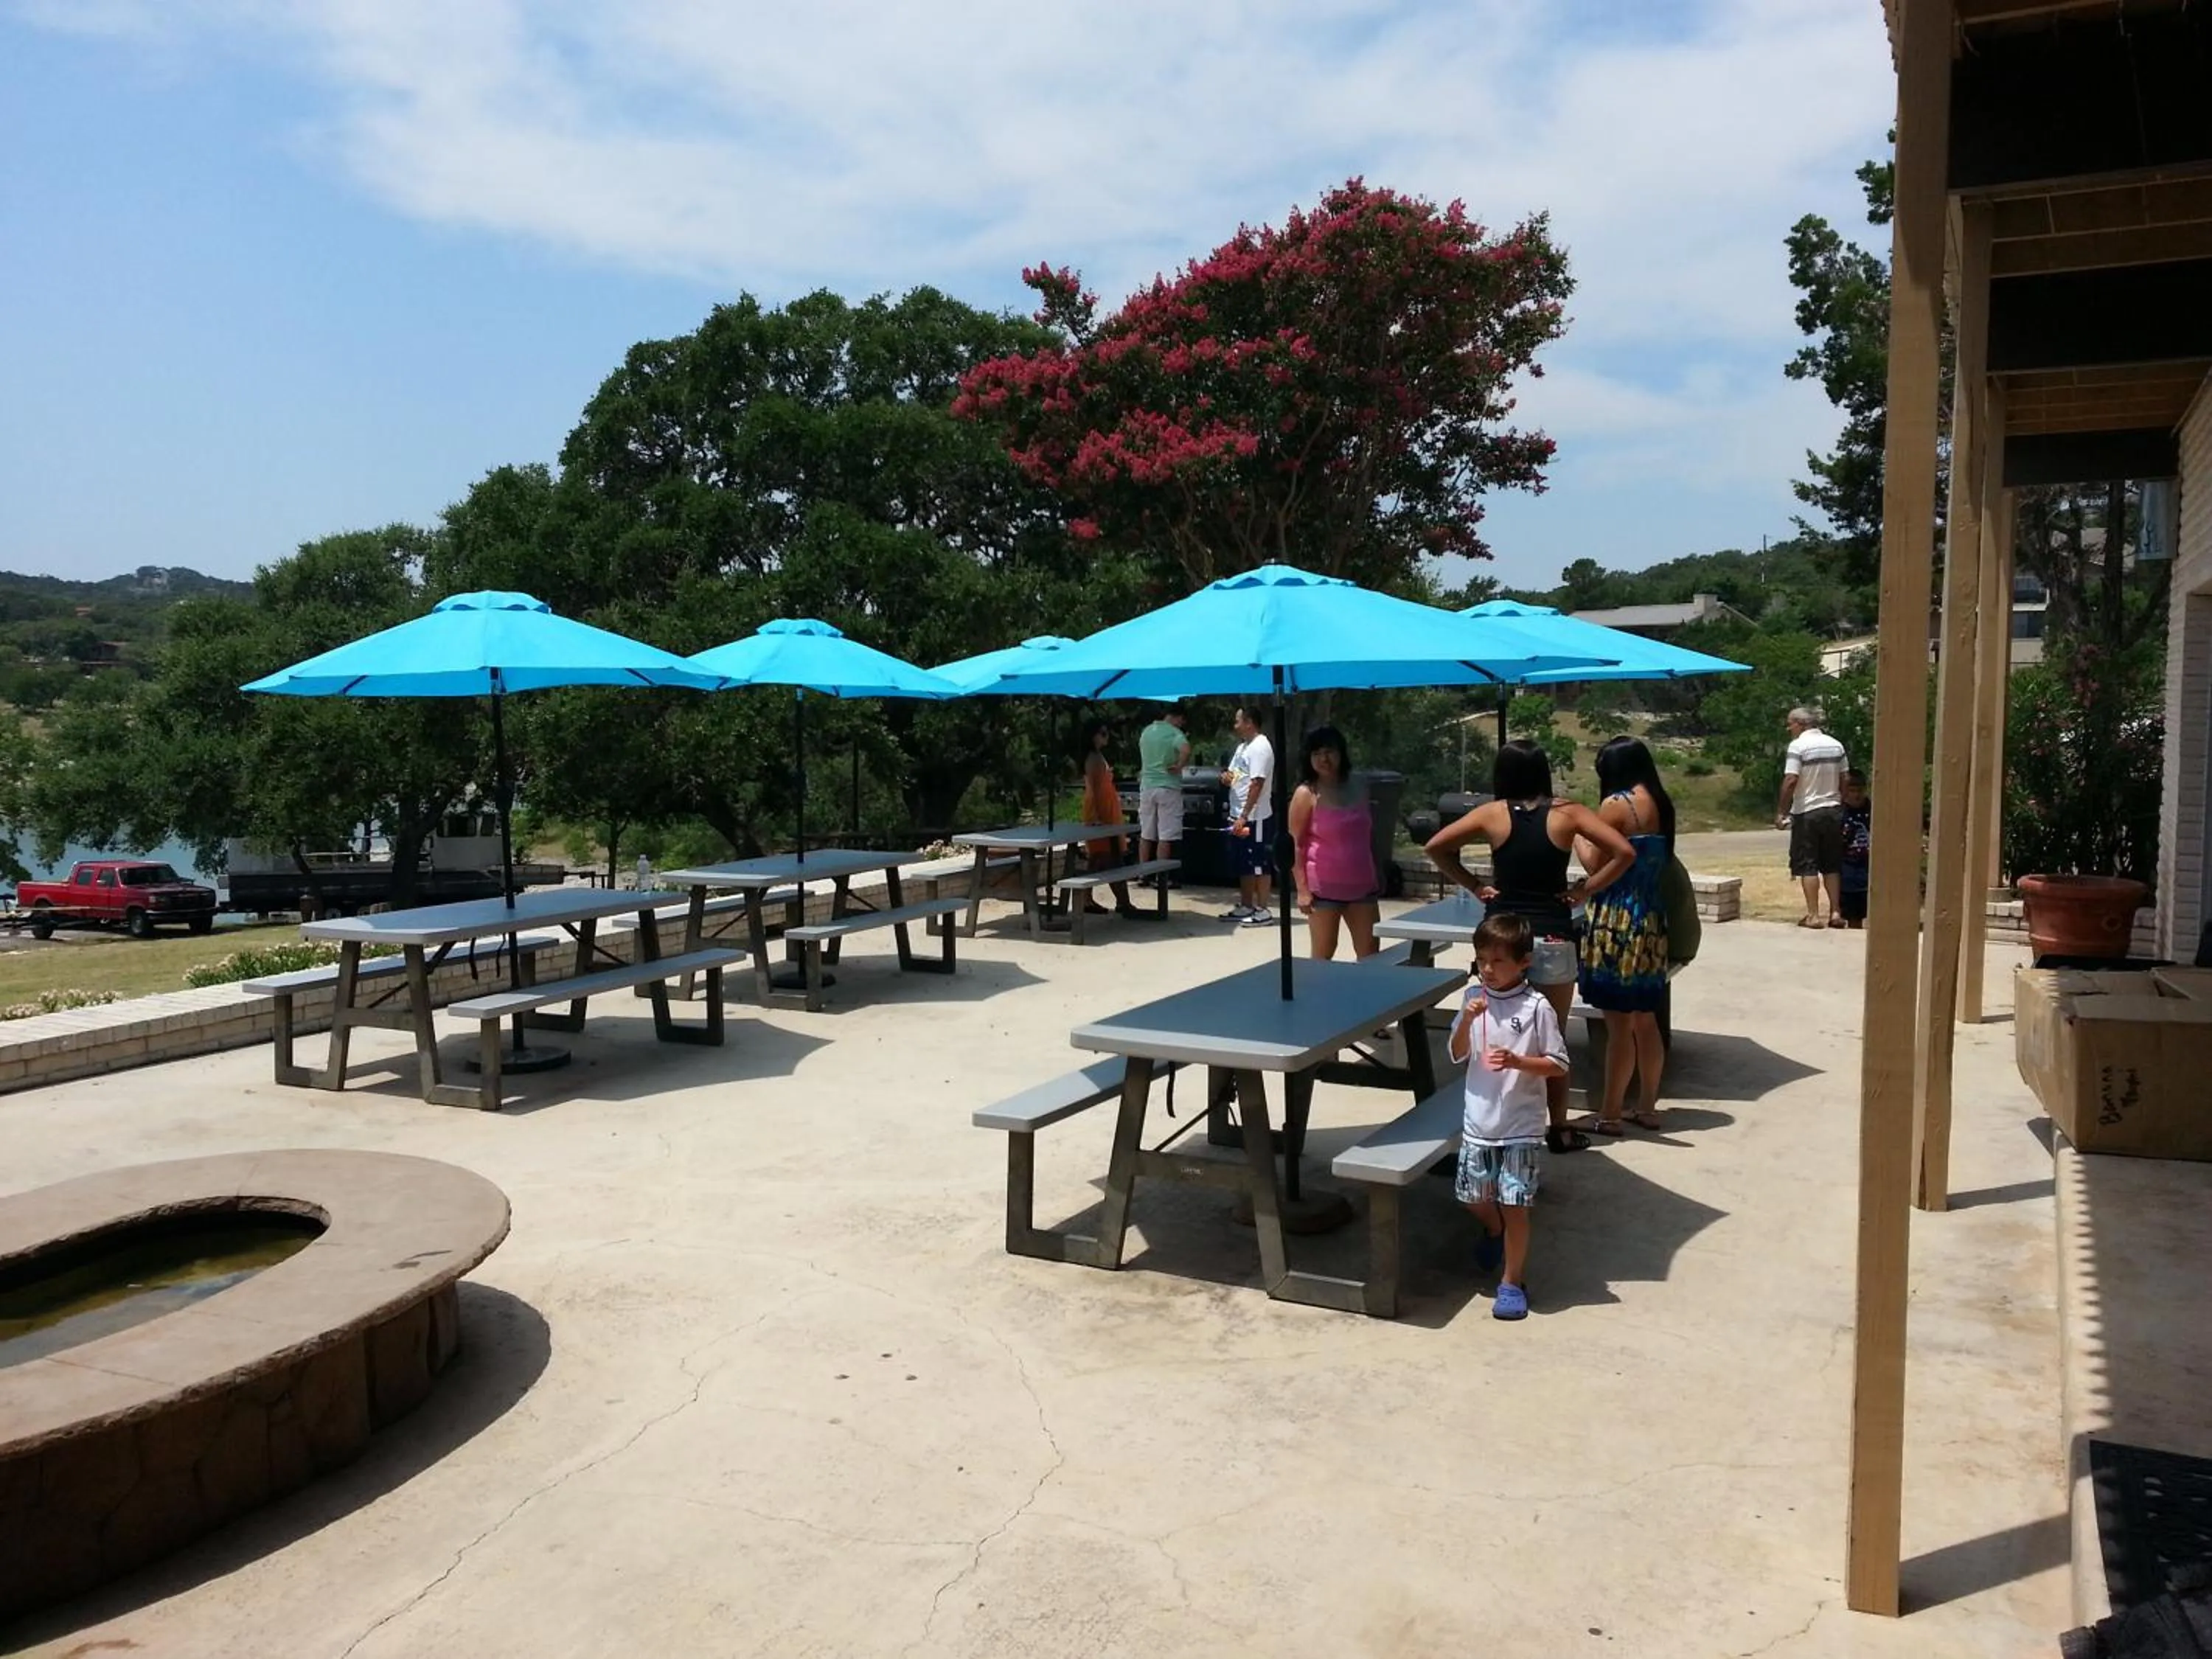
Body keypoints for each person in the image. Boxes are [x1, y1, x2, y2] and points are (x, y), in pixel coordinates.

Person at [1426, 739, 1635, 1154]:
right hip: (1554, 935)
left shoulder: (1491, 814)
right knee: (1550, 1040)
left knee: (1498, 1031)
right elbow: (1624, 851)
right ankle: (1557, 1128)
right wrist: (1585, 889)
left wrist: (1473, 885)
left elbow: (1436, 846)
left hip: (1501, 939)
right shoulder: (1567, 813)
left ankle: (1499, 1117)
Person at [1447, 911, 1569, 1321]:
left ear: (1524, 963)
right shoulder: (1471, 1000)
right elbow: (1457, 1053)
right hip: (1479, 1122)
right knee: (1473, 1196)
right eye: (1482, 959)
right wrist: (1466, 1020)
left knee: (1515, 1204)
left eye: (1498, 961)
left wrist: (1520, 1061)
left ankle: (1512, 1282)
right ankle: (1494, 1229)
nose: (1488, 969)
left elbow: (1557, 1064)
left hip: (1521, 1125)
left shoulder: (1537, 1008)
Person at [1576, 736, 1675, 1134]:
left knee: (1617, 1025)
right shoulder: (1661, 804)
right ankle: (1647, 1106)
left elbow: (1596, 863)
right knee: (1645, 1020)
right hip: (1651, 919)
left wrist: (1581, 836)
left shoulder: (1616, 805)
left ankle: (1611, 1113)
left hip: (1617, 920)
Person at [1288, 726, 1380, 960]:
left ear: (1341, 753)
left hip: (1362, 886)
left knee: (1371, 956)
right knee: (1323, 957)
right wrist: (1302, 890)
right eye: (1316, 753)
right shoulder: (1306, 793)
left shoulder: (1360, 785)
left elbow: (1369, 835)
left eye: (1329, 752)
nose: (1323, 759)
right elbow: (1295, 844)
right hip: (1323, 891)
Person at [1775, 705, 1848, 929]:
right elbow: (1845, 777)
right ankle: (1836, 912)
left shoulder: (1798, 747)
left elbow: (1790, 780)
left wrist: (1781, 811)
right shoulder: (1836, 745)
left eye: (1791, 724)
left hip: (1807, 811)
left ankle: (1813, 915)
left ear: (1801, 724)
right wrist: (1841, 801)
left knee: (1808, 864)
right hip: (1833, 809)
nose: (1789, 729)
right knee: (1832, 864)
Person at [1219, 707, 1276, 927]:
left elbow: (1257, 783)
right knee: (1244, 862)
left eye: (1238, 721)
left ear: (1250, 722)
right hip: (1237, 815)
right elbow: (1234, 775)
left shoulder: (1261, 747)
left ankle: (1263, 909)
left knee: (1258, 861)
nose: (1235, 726)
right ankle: (1246, 904)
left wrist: (1245, 814)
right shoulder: (1243, 747)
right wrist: (1226, 777)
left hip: (1255, 816)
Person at [1079, 720, 1139, 918]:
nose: (1107, 737)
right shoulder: (1093, 758)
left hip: (1106, 807)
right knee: (1109, 856)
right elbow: (1095, 789)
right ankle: (1122, 902)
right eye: (1103, 733)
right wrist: (1096, 816)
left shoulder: (1098, 756)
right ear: (1093, 736)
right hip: (1101, 810)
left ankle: (1088, 899)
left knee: (1099, 857)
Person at [1136, 705, 1191, 869]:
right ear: (1177, 717)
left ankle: (1143, 873)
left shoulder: (1146, 732)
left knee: (1146, 834)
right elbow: (1186, 750)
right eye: (1182, 721)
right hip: (1168, 786)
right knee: (1165, 835)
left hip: (1147, 786)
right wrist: (1179, 765)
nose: (1181, 724)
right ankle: (1161, 875)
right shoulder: (1175, 733)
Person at [1839, 768, 1872, 930]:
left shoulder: (1871, 810)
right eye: (1852, 791)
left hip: (1868, 867)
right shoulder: (1840, 812)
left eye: (1860, 790)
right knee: (1853, 915)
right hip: (1848, 869)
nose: (1856, 795)